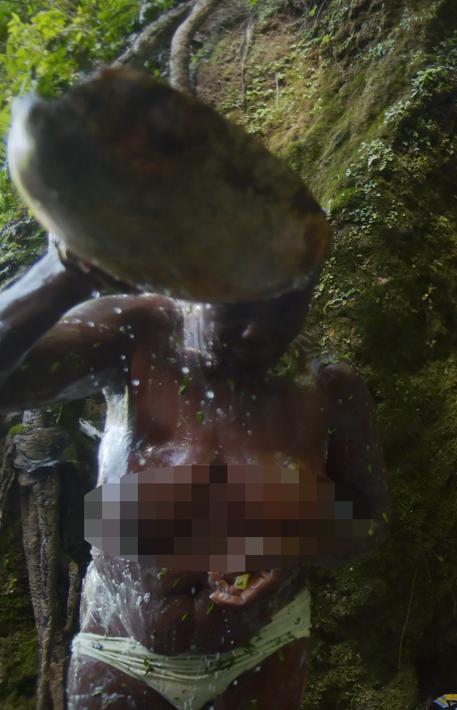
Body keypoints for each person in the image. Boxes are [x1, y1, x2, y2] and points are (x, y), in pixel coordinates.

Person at [0, 237, 390, 709]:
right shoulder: (134, 335)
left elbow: (370, 522)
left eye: (285, 310)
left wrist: (290, 538)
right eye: (236, 309)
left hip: (265, 650)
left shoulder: (329, 386)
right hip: (121, 649)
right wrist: (65, 272)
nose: (255, 333)